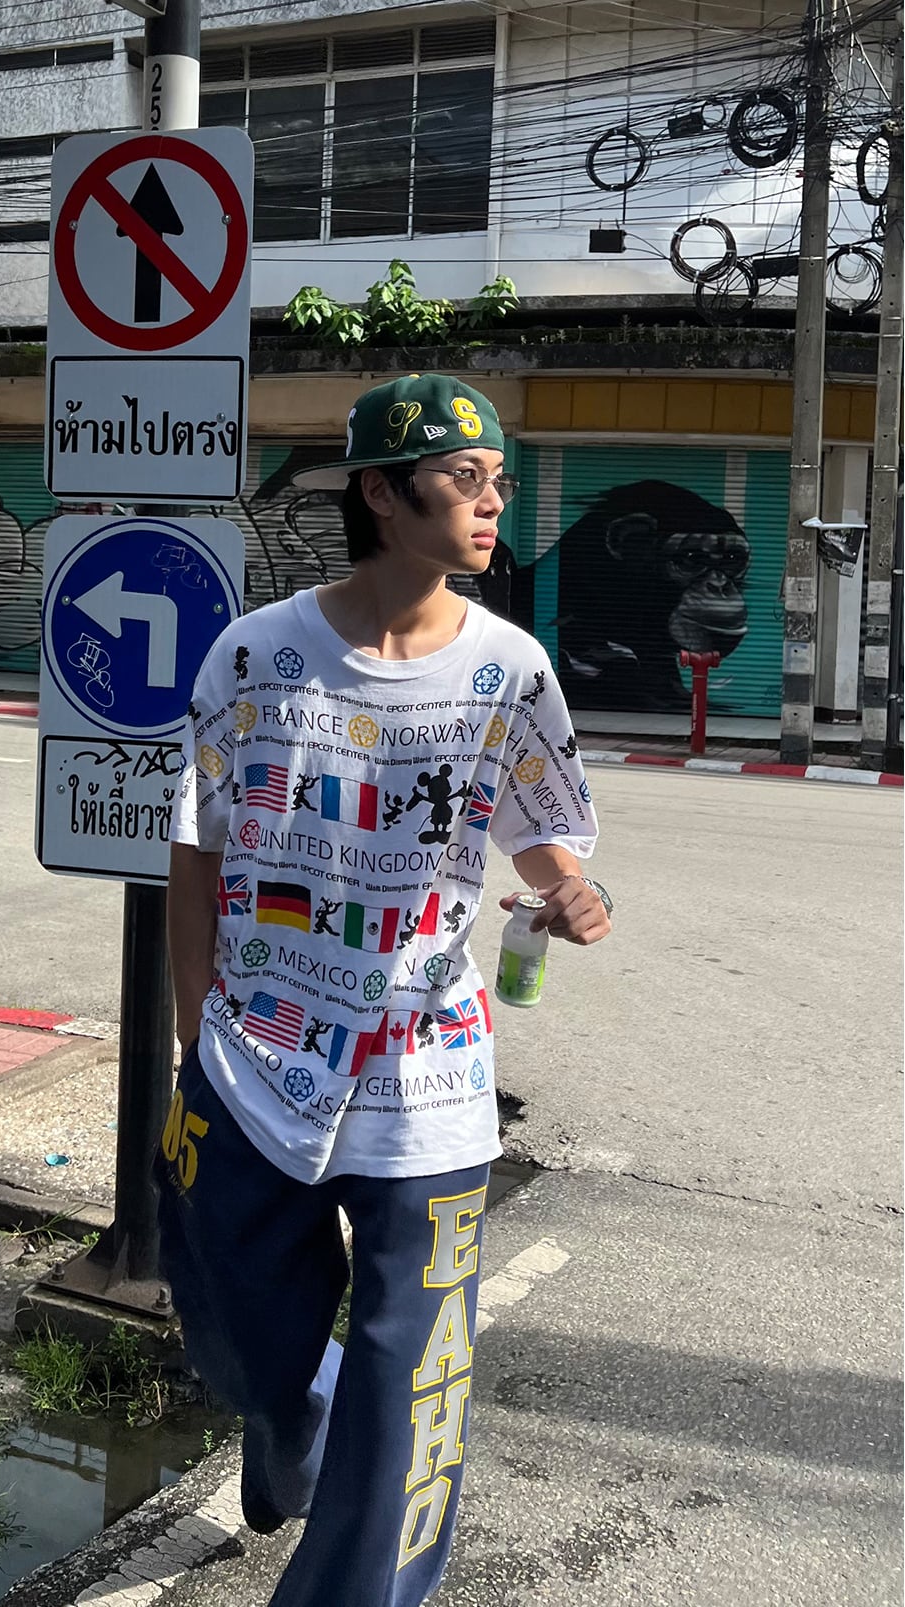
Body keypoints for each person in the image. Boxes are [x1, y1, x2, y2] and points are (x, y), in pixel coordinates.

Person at [159, 374, 613, 1607]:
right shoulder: (255, 655)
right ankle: (294, 1422)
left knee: (416, 1389)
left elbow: (545, 838)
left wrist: (573, 893)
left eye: (499, 479)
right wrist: (194, 1035)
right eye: (466, 477)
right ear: (379, 492)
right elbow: (195, 853)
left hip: (430, 1072)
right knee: (245, 1342)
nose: (493, 501)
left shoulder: (511, 669)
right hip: (254, 1062)